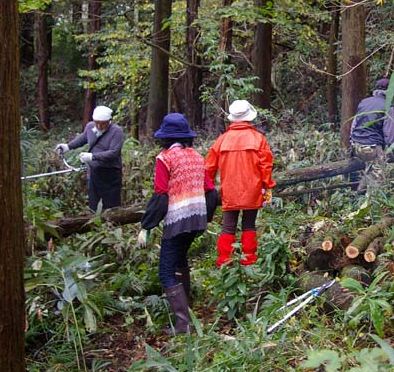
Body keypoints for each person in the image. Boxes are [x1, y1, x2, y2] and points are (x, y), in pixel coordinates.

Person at [137, 113, 216, 335]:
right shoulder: (197, 156)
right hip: (197, 219)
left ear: (165, 138)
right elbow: (211, 191)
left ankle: (184, 324)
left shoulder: (164, 158)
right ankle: (186, 313)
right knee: (180, 260)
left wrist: (147, 226)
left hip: (178, 220)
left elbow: (161, 195)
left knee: (165, 271)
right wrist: (204, 217)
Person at [206, 100, 276, 268]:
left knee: (228, 227)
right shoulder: (258, 139)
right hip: (253, 190)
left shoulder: (222, 140)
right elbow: (266, 165)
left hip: (228, 191)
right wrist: (267, 186)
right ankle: (249, 260)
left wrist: (207, 189)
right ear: (248, 117)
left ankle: (225, 262)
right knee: (249, 224)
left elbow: (208, 167)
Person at [55, 105, 124, 211]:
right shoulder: (90, 126)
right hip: (94, 171)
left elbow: (114, 153)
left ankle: (112, 224)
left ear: (109, 120)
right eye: (97, 122)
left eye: (103, 123)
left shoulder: (116, 131)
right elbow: (83, 138)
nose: (99, 126)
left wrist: (93, 156)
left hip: (111, 172)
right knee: (94, 202)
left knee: (111, 204)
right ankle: (95, 223)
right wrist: (67, 147)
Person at [349, 78, 394, 193]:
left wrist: (352, 142)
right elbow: (389, 134)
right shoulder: (387, 106)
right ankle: (371, 203)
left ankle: (359, 194)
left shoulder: (364, 102)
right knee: (378, 179)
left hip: (356, 147)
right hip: (372, 149)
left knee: (370, 171)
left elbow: (353, 125)